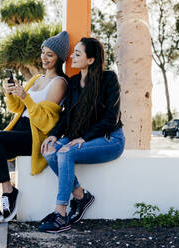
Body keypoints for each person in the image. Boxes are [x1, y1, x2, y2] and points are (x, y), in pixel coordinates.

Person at [0, 31, 70, 230]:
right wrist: (11, 93)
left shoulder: (59, 83)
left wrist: (26, 97)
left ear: (59, 58)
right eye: (43, 52)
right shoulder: (37, 78)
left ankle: (8, 190)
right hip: (21, 130)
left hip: (35, 136)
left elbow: (46, 122)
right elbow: (17, 109)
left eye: (50, 54)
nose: (44, 57)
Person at [39, 37, 125, 233]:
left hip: (109, 139)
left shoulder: (109, 79)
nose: (72, 56)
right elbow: (66, 115)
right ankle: (80, 196)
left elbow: (111, 118)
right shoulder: (74, 82)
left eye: (78, 54)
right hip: (81, 135)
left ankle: (61, 213)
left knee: (65, 153)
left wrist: (84, 138)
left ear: (91, 60)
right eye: (73, 52)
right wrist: (54, 134)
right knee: (50, 151)